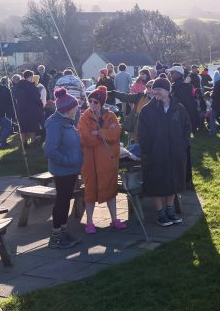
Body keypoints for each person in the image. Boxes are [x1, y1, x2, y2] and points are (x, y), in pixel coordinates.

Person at [138, 77, 192, 227]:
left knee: (173, 182)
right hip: (156, 155)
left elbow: (187, 128)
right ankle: (160, 214)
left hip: (175, 154)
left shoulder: (178, 108)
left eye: (159, 89)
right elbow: (143, 134)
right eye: (154, 89)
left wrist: (183, 145)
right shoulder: (147, 111)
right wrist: (148, 152)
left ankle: (170, 211)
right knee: (157, 184)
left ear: (167, 91)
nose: (155, 92)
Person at [79, 86, 125, 234]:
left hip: (107, 161)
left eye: (96, 102)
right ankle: (90, 222)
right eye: (90, 101)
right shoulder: (85, 117)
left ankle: (114, 219)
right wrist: (104, 134)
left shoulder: (110, 115)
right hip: (90, 161)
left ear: (102, 103)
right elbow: (85, 137)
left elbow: (116, 133)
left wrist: (100, 132)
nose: (92, 104)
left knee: (110, 188)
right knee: (90, 190)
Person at [43, 88, 84, 249]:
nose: (77, 109)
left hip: (71, 170)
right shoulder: (55, 124)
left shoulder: (67, 121)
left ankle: (63, 232)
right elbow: (49, 150)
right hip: (63, 171)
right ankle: (56, 237)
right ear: (67, 109)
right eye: (75, 107)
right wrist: (67, 161)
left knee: (65, 200)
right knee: (61, 201)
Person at [14, 70, 45, 147]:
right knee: (32, 126)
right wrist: (41, 105)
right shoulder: (31, 86)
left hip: (20, 108)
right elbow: (36, 98)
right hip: (31, 109)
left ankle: (24, 143)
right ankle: (33, 142)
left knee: (23, 126)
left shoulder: (17, 86)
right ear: (31, 76)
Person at [0, 78, 15, 149]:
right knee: (7, 128)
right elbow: (10, 101)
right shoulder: (7, 90)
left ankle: (3, 142)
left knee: (2, 127)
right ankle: (2, 142)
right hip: (6, 111)